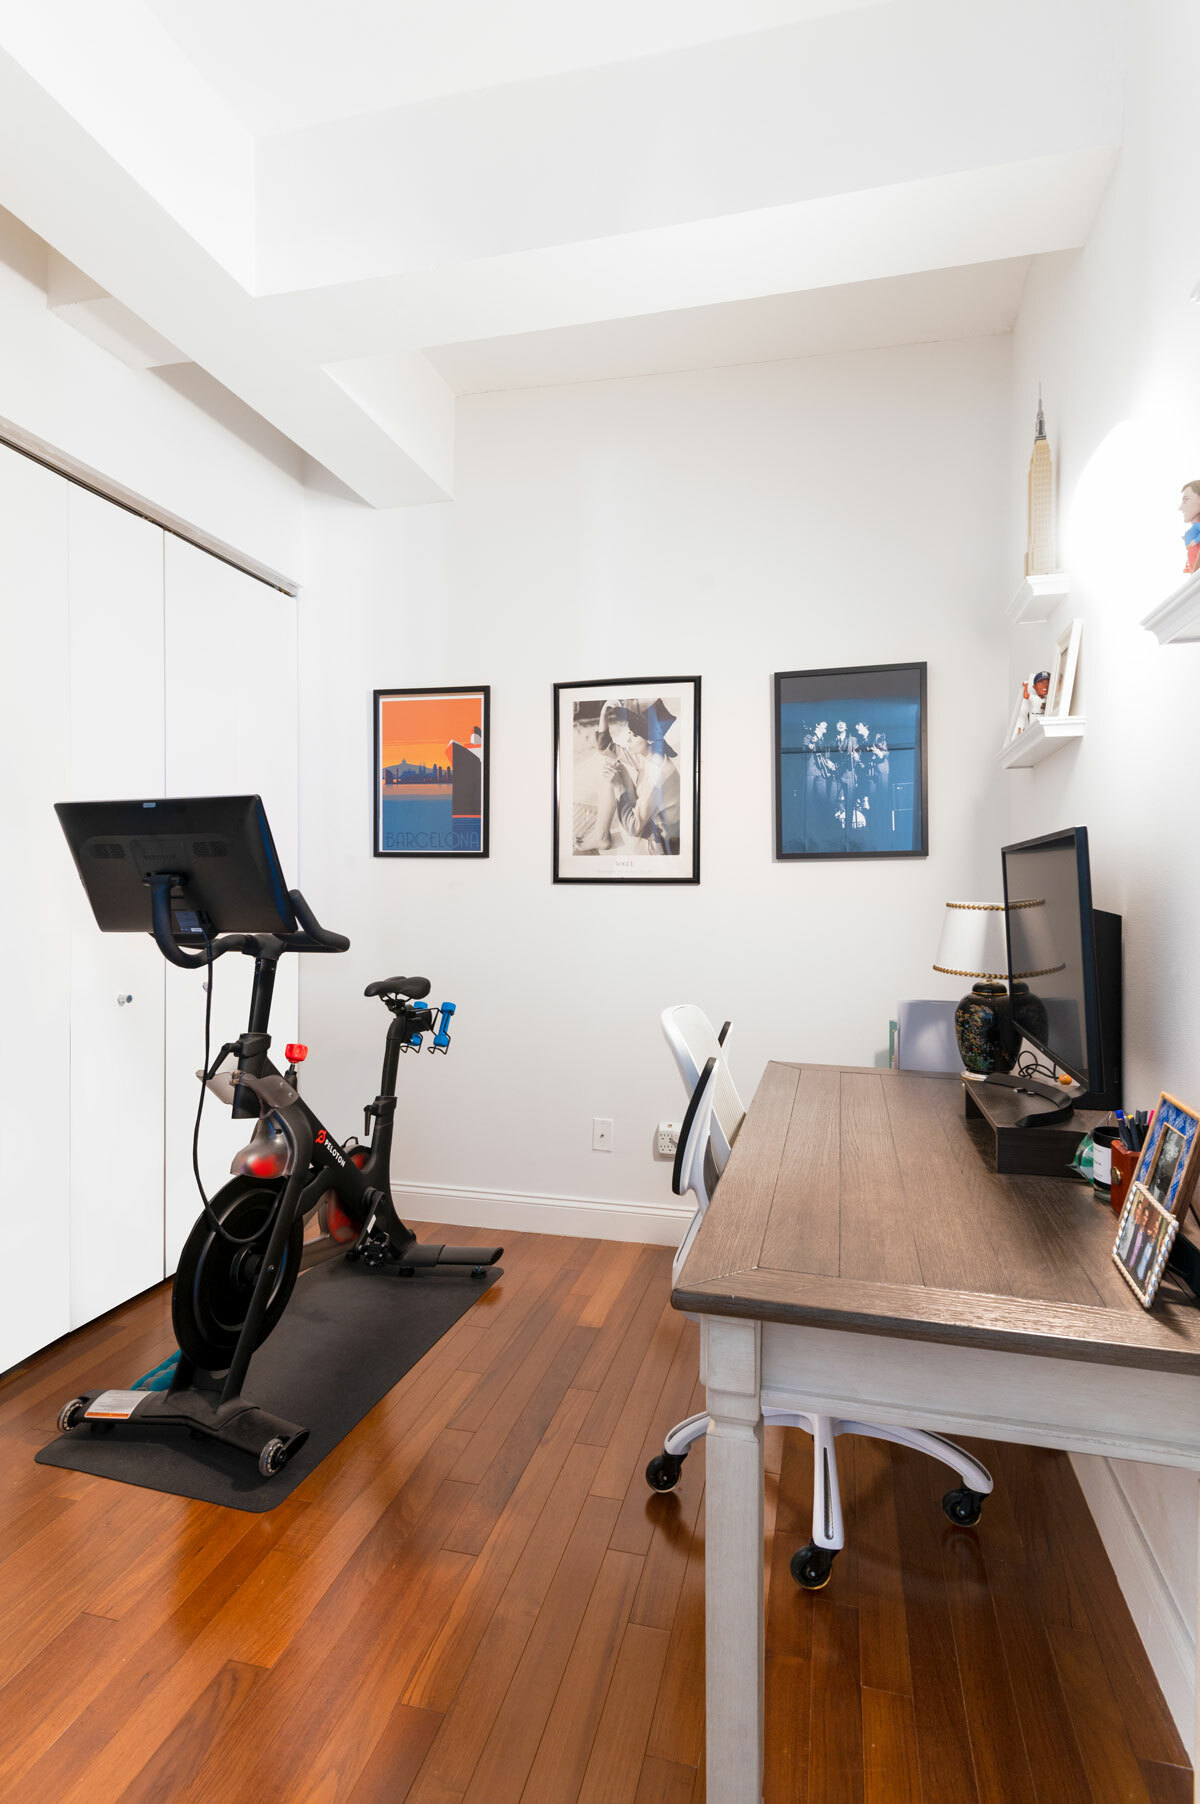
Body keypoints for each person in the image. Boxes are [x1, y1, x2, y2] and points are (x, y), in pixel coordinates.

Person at [574, 697, 681, 855]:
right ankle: (600, 836)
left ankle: (601, 836)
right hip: (651, 822)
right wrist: (604, 713)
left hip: (660, 843)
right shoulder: (650, 755)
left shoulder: (657, 777)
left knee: (615, 779)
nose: (628, 739)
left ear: (650, 740)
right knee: (612, 766)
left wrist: (619, 789)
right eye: (628, 733)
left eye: (633, 736)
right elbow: (606, 748)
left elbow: (632, 828)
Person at [1180, 480, 1200, 575]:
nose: (1180, 507)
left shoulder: (1197, 526)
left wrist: (1195, 540)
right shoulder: (1194, 527)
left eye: (1186, 499)